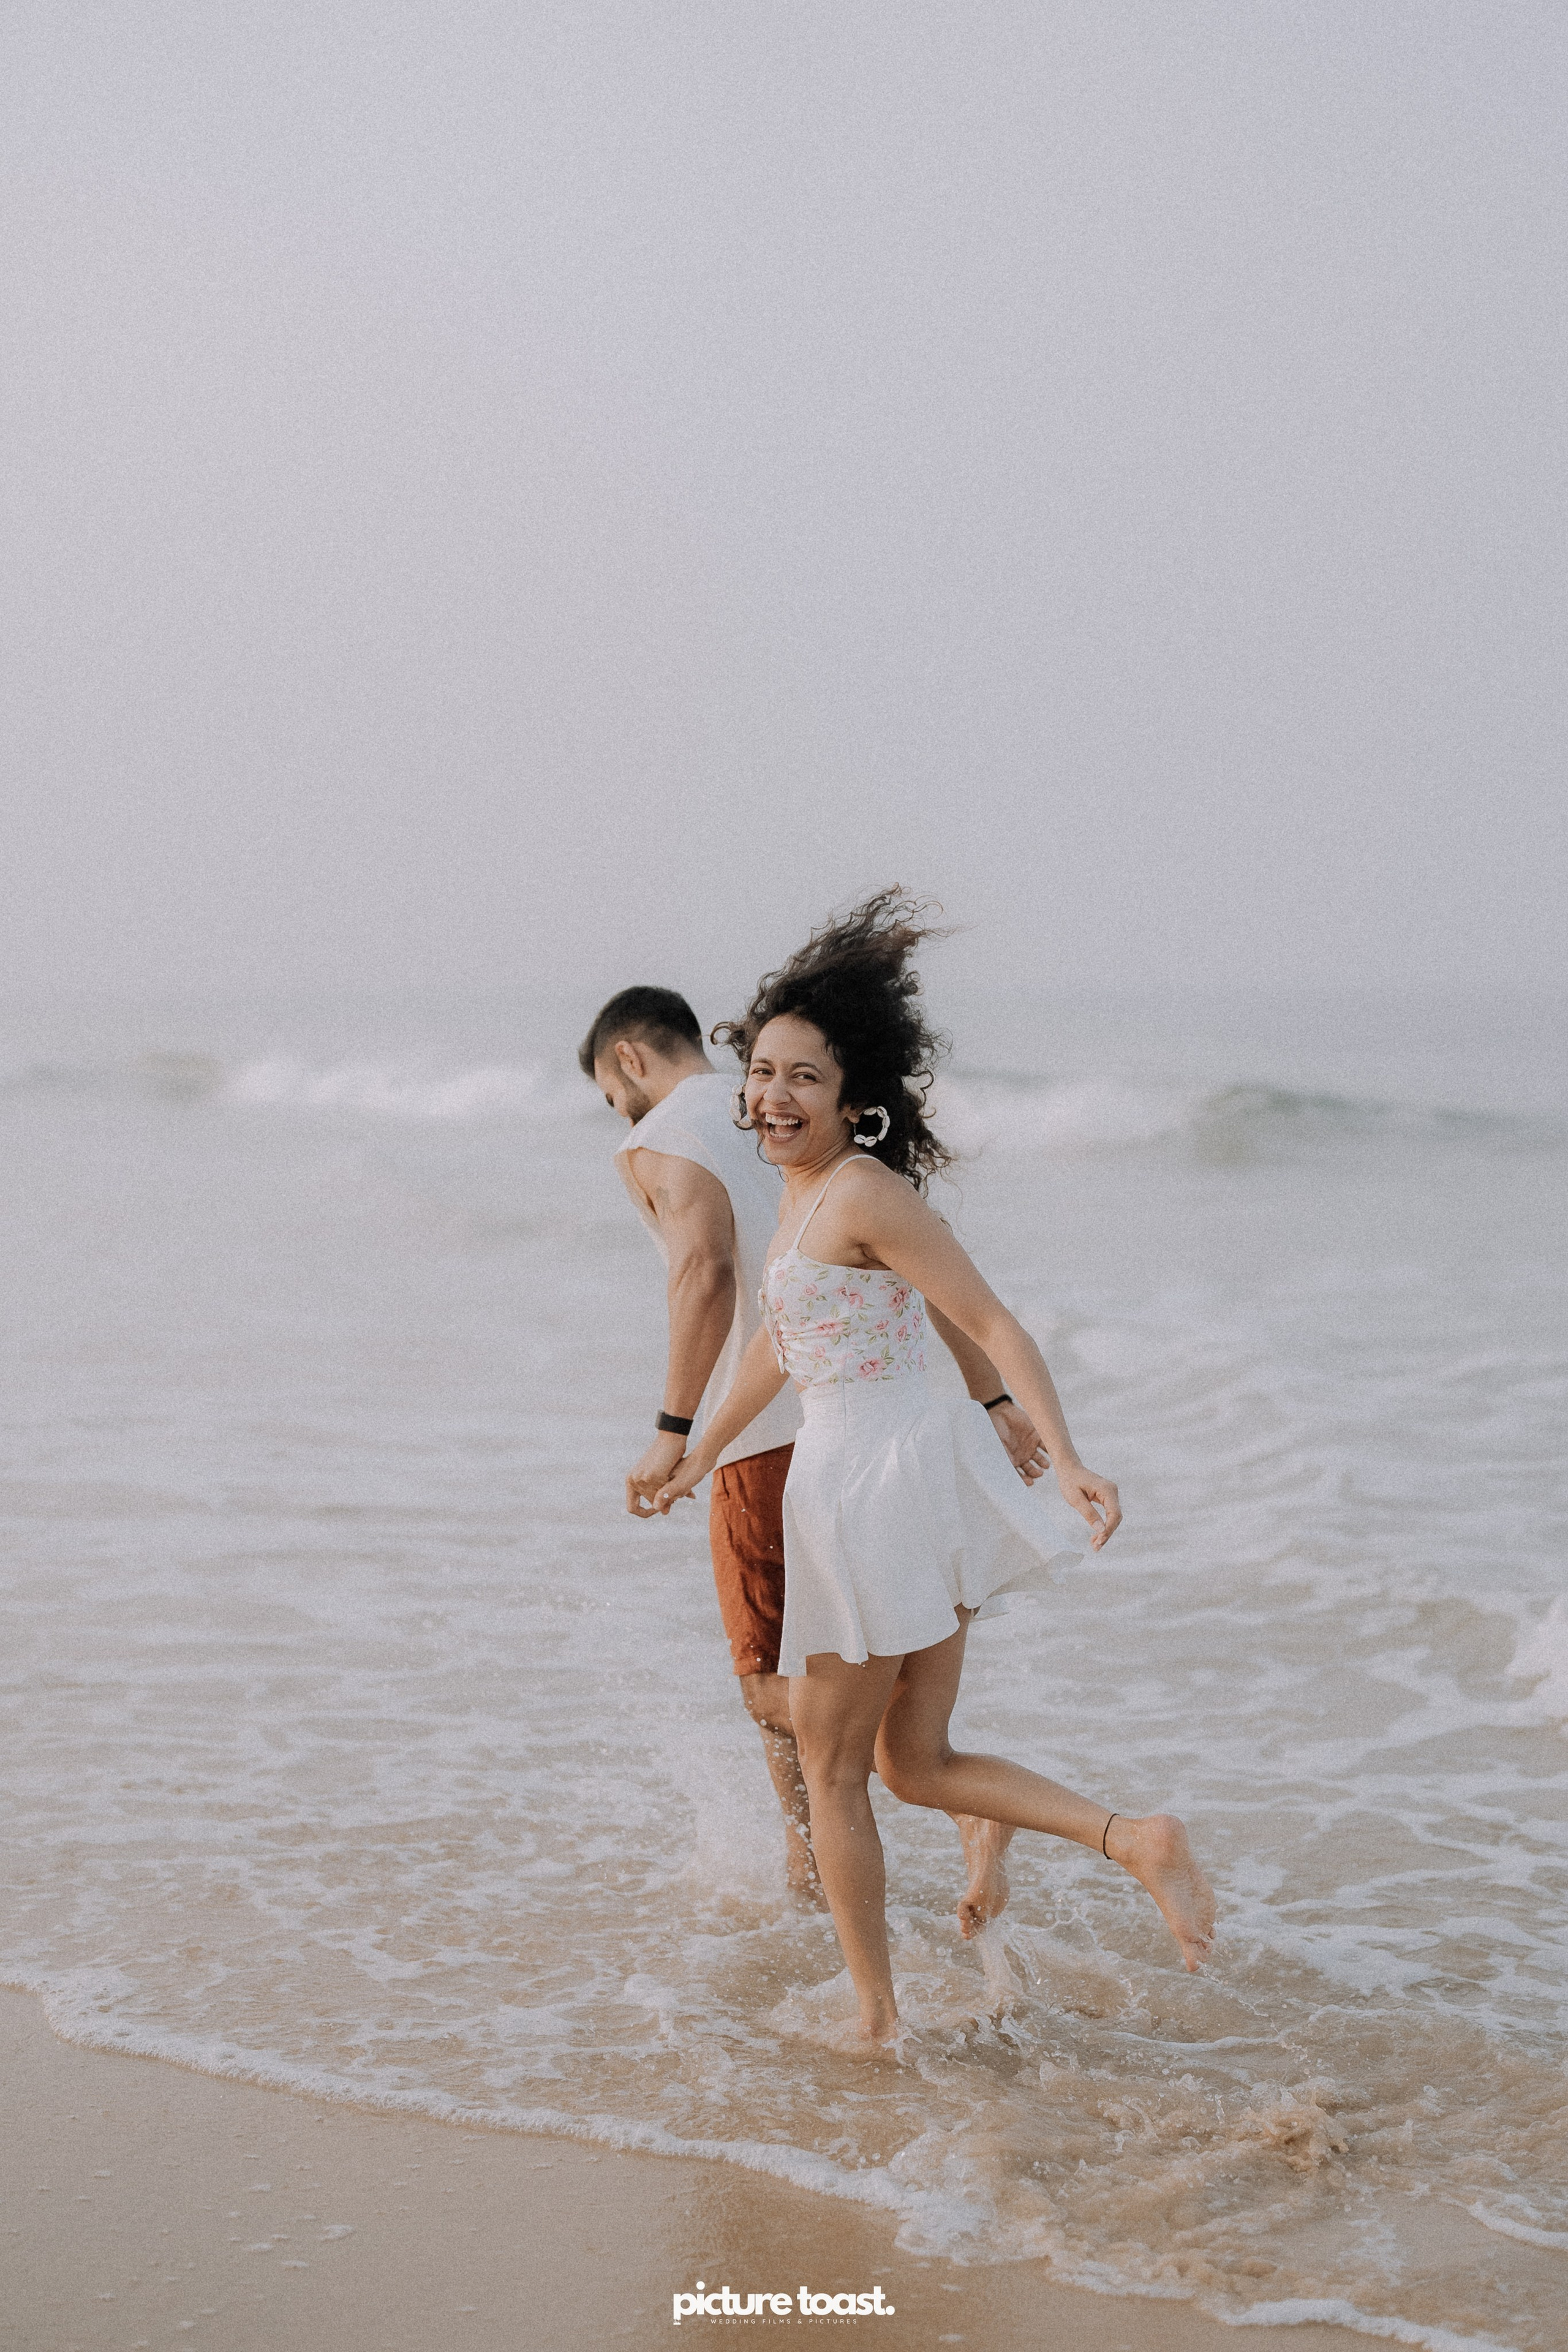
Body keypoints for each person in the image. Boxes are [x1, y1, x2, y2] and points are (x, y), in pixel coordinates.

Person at [652, 893, 1216, 2043]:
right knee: (914, 1760)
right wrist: (698, 1451)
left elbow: (995, 1324)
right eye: (762, 1070)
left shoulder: (863, 1193)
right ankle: (1136, 1840)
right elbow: (781, 1339)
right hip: (890, 1474)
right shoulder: (807, 1196)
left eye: (805, 1079)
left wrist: (1066, 1458)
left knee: (834, 1769)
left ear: (855, 1104)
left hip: (876, 1485)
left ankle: (873, 2016)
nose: (772, 1096)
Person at [581, 982, 1059, 1927]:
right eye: (766, 1072)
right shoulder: (796, 1138)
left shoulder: (662, 1140)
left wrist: (676, 1432)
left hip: (781, 1444)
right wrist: (991, 1396)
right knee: (860, 1684)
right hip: (887, 1428)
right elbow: (917, 1272)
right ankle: (908, 1815)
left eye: (609, 1092)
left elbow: (706, 1274)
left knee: (775, 1682)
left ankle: (833, 1865)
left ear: (629, 1062)